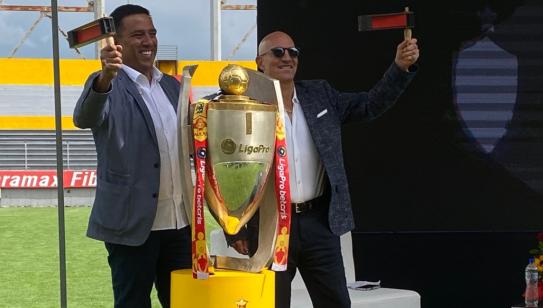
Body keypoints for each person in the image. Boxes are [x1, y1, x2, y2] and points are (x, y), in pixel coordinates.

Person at [228, 31, 419, 308]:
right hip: (270, 224)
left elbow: (370, 104)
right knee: (272, 304)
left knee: (336, 303)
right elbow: (225, 168)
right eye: (278, 52)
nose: (287, 57)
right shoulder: (243, 104)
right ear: (259, 61)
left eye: (293, 52)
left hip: (319, 222)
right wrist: (234, 228)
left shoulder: (320, 94)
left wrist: (400, 68)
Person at [73, 4, 191, 308]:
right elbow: (85, 118)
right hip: (131, 226)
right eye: (138, 35)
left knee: (184, 303)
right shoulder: (106, 83)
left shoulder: (172, 86)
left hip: (179, 224)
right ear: (118, 43)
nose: (148, 41)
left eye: (151, 33)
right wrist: (105, 77)